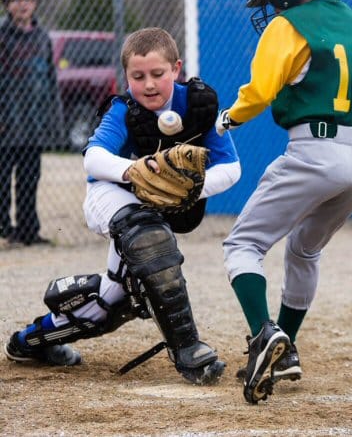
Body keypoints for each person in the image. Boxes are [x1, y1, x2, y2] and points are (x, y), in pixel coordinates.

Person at [215, 0, 352, 404]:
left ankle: (264, 335)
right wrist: (351, 108)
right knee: (304, 250)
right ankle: (288, 348)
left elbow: (259, 91)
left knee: (243, 244)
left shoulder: (289, 25)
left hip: (314, 151)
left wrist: (227, 119)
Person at [4, 27, 241, 386]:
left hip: (148, 209)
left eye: (158, 74)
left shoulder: (198, 105)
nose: (148, 84)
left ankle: (30, 341)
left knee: (114, 299)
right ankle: (189, 350)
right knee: (148, 236)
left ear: (176, 68)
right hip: (109, 194)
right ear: (126, 76)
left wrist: (193, 187)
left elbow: (232, 167)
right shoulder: (124, 109)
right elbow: (94, 159)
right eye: (137, 76)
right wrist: (134, 171)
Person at [0, 0, 62, 245]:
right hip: (6, 122)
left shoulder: (41, 38)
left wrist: (52, 119)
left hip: (33, 123)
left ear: (34, 4)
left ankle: (28, 231)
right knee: (2, 181)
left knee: (29, 179)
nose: (22, 4)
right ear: (7, 6)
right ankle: (4, 230)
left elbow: (49, 80)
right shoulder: (2, 37)